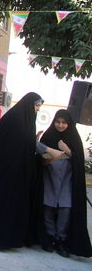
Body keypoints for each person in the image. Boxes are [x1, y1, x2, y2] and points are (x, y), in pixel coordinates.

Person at [0, 92, 63, 250]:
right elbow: (26, 141)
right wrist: (49, 150)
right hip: (4, 170)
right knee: (1, 203)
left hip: (13, 170)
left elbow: (26, 142)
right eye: (36, 106)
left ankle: (9, 235)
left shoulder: (23, 119)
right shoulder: (16, 119)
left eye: (39, 107)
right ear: (28, 104)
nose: (37, 110)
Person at [36, 109, 92, 258]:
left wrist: (68, 151)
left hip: (67, 181)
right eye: (58, 122)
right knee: (48, 208)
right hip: (50, 178)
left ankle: (61, 239)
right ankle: (50, 237)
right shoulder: (48, 136)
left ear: (69, 123)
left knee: (65, 210)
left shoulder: (73, 138)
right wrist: (51, 157)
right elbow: (39, 159)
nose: (60, 125)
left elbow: (79, 160)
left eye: (64, 122)